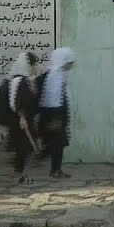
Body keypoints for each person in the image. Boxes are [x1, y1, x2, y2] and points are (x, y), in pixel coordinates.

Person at [2, 52, 40, 184]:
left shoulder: (26, 80)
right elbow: (18, 100)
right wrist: (22, 117)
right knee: (26, 147)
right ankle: (23, 174)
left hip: (25, 119)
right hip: (21, 120)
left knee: (24, 148)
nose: (34, 67)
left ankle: (21, 172)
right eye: (33, 64)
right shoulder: (20, 81)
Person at [38, 47, 75, 179]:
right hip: (55, 116)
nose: (71, 65)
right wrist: (59, 119)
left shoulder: (57, 75)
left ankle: (53, 167)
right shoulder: (55, 76)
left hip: (56, 116)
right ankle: (55, 170)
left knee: (56, 143)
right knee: (57, 144)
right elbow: (53, 100)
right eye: (69, 62)